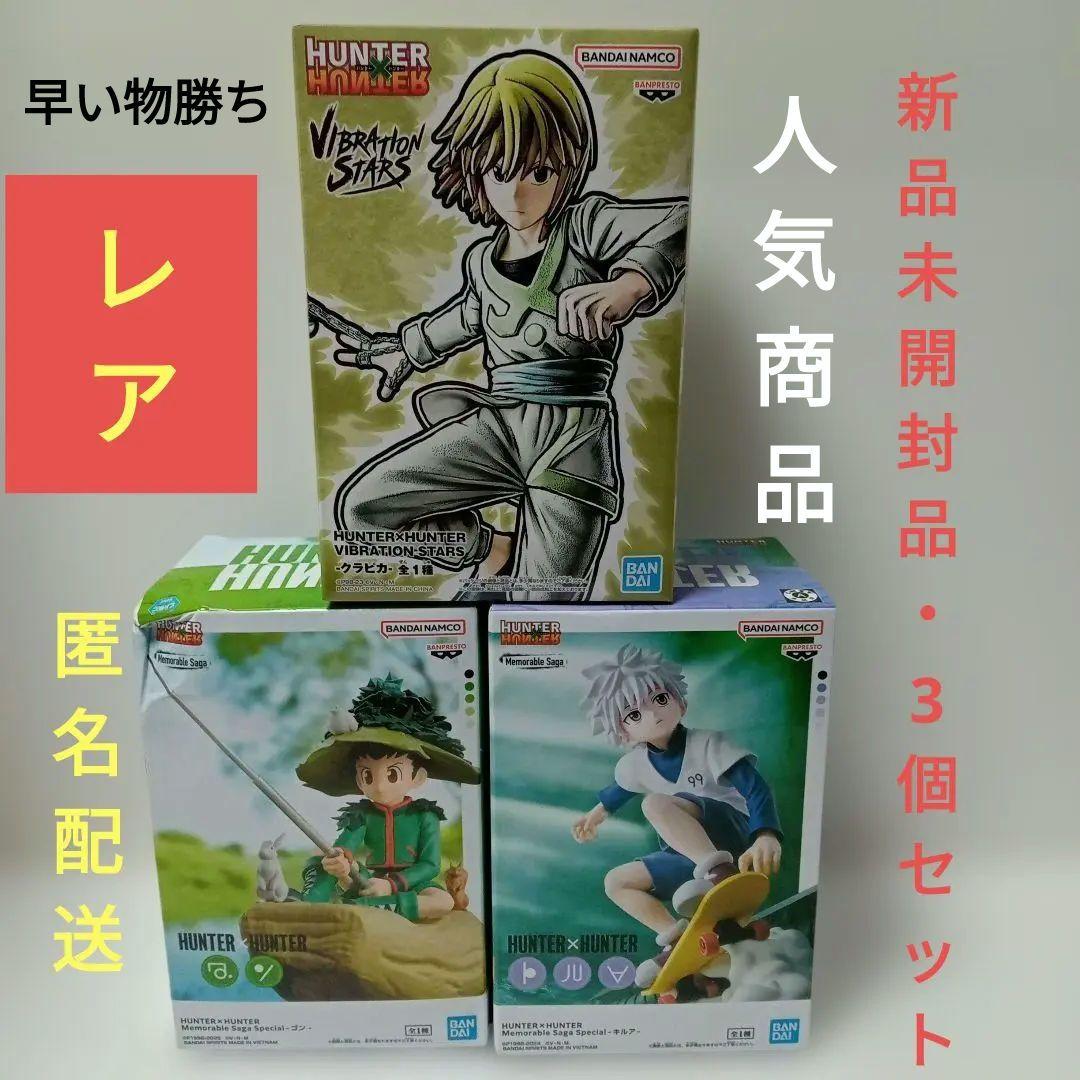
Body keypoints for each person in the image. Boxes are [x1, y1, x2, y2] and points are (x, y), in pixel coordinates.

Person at [324, 49, 688, 600]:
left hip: (572, 439)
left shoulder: (586, 226)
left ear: (568, 165)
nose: (518, 193)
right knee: (363, 508)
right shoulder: (481, 261)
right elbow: (465, 317)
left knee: (543, 604)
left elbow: (681, 218)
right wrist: (404, 349)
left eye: (539, 172)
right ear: (474, 169)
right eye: (499, 172)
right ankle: (492, 551)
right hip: (498, 426)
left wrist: (630, 284)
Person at [573, 645, 782, 987]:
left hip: (733, 834)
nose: (652, 714)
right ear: (623, 733)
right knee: (617, 882)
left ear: (680, 702)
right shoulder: (634, 765)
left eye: (660, 699)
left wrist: (766, 834)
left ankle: (721, 874)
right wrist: (595, 815)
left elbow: (755, 787)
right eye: (634, 714)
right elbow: (619, 790)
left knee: (655, 804)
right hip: (691, 854)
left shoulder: (709, 744)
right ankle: (678, 940)